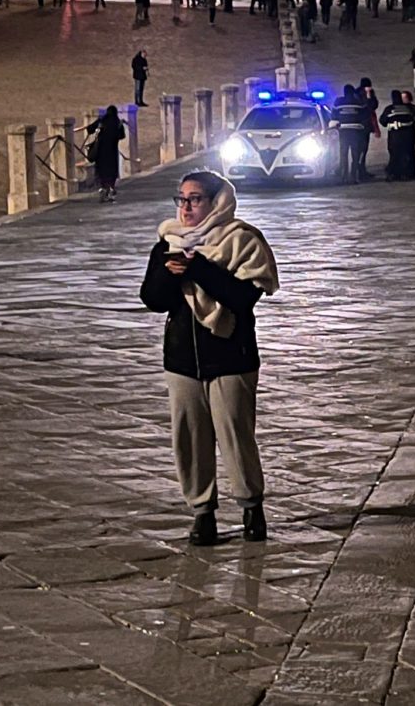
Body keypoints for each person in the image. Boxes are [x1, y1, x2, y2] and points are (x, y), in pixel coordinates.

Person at [139, 170, 278, 547]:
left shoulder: (242, 241)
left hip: (231, 355)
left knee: (236, 435)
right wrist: (170, 275)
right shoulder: (167, 243)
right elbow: (153, 299)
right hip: (182, 358)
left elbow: (243, 299)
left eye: (195, 199)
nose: (185, 207)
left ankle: (251, 506)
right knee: (189, 438)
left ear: (217, 201)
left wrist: (199, 268)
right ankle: (202, 513)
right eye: (181, 199)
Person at [380, 90, 415, 181]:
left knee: (394, 155)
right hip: (408, 136)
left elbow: (383, 121)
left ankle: (394, 174)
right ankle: (408, 174)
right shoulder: (411, 108)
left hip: (394, 136)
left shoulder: (389, 109)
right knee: (408, 154)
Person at [87, 105, 126, 202]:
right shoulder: (117, 122)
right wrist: (121, 127)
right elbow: (121, 136)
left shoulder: (102, 120)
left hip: (100, 152)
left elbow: (89, 129)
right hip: (112, 152)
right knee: (112, 172)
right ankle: (111, 189)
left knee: (101, 171)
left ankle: (102, 189)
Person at [330, 85, 368, 184]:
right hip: (356, 131)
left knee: (343, 154)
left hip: (343, 131)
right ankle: (354, 177)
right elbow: (365, 115)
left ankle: (344, 177)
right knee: (355, 155)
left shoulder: (338, 102)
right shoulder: (358, 102)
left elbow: (333, 115)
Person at [355, 77, 380, 181]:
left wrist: (371, 96)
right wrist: (369, 98)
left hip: (367, 126)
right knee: (360, 150)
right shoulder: (357, 95)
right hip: (360, 126)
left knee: (364, 150)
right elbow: (367, 107)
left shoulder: (370, 92)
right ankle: (359, 172)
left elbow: (374, 105)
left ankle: (362, 170)